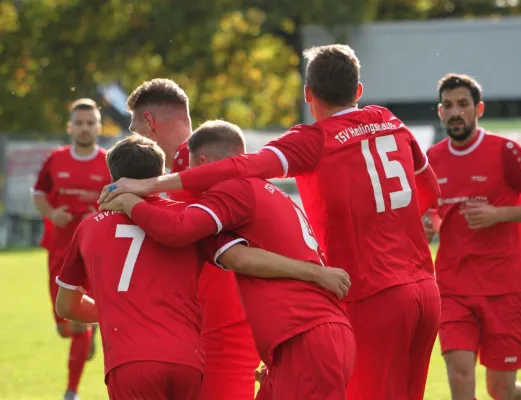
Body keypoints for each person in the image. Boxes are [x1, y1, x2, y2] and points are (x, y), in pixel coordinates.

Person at [100, 45, 441, 400]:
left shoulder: (312, 141)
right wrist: (392, 228)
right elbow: (429, 190)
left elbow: (237, 172)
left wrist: (148, 186)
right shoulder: (388, 120)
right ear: (358, 90)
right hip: (422, 285)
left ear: (308, 95)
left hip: (370, 291)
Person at [56, 134, 350, 399]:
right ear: (161, 173)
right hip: (190, 359)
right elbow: (237, 257)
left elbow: (66, 305)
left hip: (131, 360)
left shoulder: (90, 227)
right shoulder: (199, 213)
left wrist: (120, 310)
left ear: (115, 177)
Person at [126, 78, 259, 399]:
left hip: (223, 325)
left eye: (135, 130)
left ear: (149, 122)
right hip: (211, 323)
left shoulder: (193, 161)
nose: (135, 140)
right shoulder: (201, 156)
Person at [425, 73, 521, 400]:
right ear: (440, 112)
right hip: (453, 287)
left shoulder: (505, 151)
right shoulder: (431, 161)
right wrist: (428, 224)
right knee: (459, 376)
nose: (456, 112)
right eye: (448, 105)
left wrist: (500, 214)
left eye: (463, 104)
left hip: (505, 287)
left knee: (500, 389)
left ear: (478, 108)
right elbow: (432, 214)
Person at [32, 98, 111, 400]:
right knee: (64, 322)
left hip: (93, 251)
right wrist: (52, 214)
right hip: (58, 249)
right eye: (79, 122)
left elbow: (120, 200)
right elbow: (38, 193)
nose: (84, 128)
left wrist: (100, 214)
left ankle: (71, 392)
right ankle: (86, 332)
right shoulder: (55, 159)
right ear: (70, 127)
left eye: (90, 122)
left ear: (99, 127)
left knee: (78, 321)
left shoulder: (108, 161)